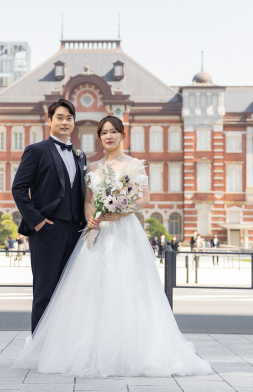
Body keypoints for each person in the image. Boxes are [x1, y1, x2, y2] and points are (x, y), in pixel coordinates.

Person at [13, 115, 211, 377]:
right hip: (97, 231)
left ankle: (130, 350)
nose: (108, 137)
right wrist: (90, 218)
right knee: (90, 290)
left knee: (127, 287)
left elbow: (146, 198)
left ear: (122, 135)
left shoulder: (134, 164)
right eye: (104, 133)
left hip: (125, 231)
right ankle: (86, 348)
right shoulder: (91, 165)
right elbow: (87, 200)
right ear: (99, 137)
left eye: (113, 132)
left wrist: (121, 211)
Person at [11, 99, 87, 333]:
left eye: (69, 118)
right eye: (60, 118)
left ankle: (61, 345)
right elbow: (19, 188)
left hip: (76, 232)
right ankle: (39, 349)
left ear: (74, 122)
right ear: (50, 120)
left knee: (69, 291)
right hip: (48, 230)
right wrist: (38, 222)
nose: (65, 122)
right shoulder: (37, 150)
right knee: (44, 291)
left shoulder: (80, 155)